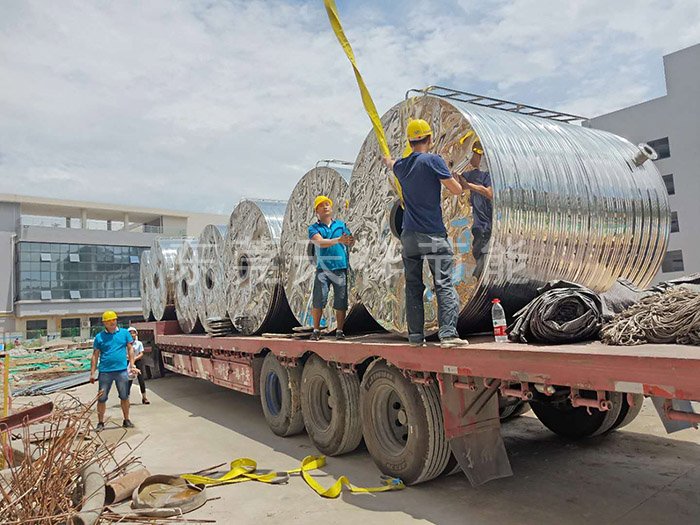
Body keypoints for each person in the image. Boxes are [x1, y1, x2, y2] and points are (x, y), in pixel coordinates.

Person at [383, 119, 469, 348]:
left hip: (409, 235)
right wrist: (457, 179)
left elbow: (391, 163)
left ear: (410, 142)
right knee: (443, 283)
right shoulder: (433, 161)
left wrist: (388, 160)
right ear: (430, 139)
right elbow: (456, 190)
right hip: (432, 234)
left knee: (413, 285)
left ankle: (415, 337)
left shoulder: (401, 166)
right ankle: (448, 335)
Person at [308, 195, 354, 341]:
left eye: (328, 204)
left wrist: (349, 240)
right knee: (319, 299)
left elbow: (350, 240)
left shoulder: (341, 225)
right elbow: (320, 243)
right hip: (323, 269)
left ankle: (340, 331)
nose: (325, 207)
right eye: (322, 205)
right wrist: (338, 240)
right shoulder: (313, 228)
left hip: (340, 267)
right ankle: (316, 330)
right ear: (317, 211)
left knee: (341, 301)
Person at [90, 310, 138, 430]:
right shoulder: (99, 337)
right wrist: (92, 373)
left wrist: (132, 364)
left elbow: (130, 349)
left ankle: (126, 420)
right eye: (109, 321)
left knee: (124, 396)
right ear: (104, 323)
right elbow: (95, 355)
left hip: (121, 371)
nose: (112, 322)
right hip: (105, 372)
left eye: (114, 320)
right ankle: (100, 422)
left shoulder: (124, 334)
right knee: (101, 398)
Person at [458, 139, 493, 278]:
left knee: (483, 264)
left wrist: (469, 186)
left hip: (486, 228)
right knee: (479, 256)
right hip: (478, 229)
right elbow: (458, 180)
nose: (470, 157)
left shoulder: (489, 176)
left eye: (472, 154)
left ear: (480, 156)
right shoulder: (472, 175)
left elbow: (490, 193)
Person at [127, 326, 150, 405]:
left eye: (133, 333)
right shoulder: (125, 344)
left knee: (141, 379)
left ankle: (144, 397)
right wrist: (130, 360)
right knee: (128, 380)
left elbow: (141, 353)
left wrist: (135, 359)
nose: (132, 335)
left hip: (137, 361)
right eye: (130, 333)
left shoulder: (139, 343)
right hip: (128, 362)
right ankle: (127, 399)